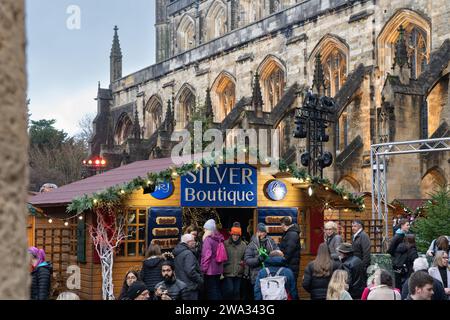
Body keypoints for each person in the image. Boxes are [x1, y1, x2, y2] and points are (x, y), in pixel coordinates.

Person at [244, 223, 279, 289]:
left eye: (262, 232)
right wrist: (258, 259)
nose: (260, 234)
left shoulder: (271, 242)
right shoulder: (252, 244)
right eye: (259, 232)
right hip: (257, 275)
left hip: (270, 275)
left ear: (265, 233)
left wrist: (271, 256)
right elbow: (247, 260)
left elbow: (278, 254)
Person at [173, 234, 204, 300]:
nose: (195, 242)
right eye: (193, 241)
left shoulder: (178, 251)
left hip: (181, 286)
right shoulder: (188, 253)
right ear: (188, 242)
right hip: (190, 287)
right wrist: (200, 280)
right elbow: (190, 271)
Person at [200, 219, 225, 300]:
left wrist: (203, 269)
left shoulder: (208, 239)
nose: (204, 230)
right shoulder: (219, 238)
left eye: (205, 229)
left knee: (211, 291)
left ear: (208, 229)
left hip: (210, 270)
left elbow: (206, 255)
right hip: (219, 268)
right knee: (217, 289)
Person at [222, 223, 247, 300]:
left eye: (237, 235)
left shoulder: (243, 245)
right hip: (227, 271)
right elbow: (221, 257)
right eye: (234, 235)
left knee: (236, 291)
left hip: (238, 272)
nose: (235, 237)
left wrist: (245, 272)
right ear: (231, 234)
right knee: (229, 290)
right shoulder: (225, 244)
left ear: (239, 236)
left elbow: (245, 259)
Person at [279, 217, 301, 283]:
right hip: (290, 265)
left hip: (290, 265)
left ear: (283, 224)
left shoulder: (292, 234)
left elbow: (289, 251)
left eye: (280, 224)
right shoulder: (289, 233)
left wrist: (282, 261)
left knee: (291, 287)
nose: (280, 226)